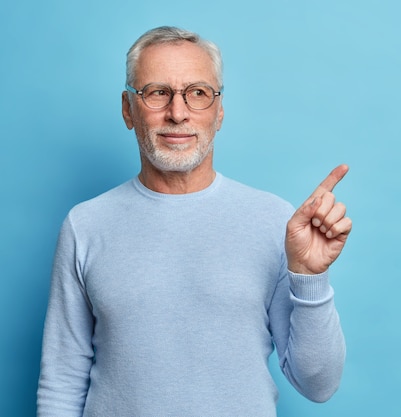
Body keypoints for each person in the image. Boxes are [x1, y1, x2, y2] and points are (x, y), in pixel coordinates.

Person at [37, 26, 351, 417]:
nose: (178, 112)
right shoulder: (85, 225)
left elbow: (318, 384)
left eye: (198, 93)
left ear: (219, 112)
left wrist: (309, 276)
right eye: (157, 92)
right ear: (127, 109)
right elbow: (62, 382)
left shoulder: (274, 221)